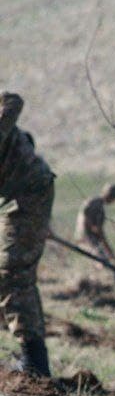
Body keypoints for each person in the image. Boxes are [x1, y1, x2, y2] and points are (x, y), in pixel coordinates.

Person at [0, 91, 54, 378]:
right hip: (15, 200)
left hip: (30, 194)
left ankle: (35, 363)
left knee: (13, 274)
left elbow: (12, 100)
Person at [76, 183, 115, 263]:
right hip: (86, 238)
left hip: (84, 236)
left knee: (103, 256)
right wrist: (110, 252)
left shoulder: (94, 203)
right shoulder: (96, 205)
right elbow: (98, 231)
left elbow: (98, 232)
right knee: (103, 260)